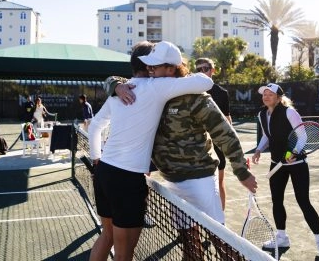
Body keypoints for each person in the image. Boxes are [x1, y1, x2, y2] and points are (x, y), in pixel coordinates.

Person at [105, 52, 258, 260]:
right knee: (189, 243)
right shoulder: (151, 90)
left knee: (221, 242)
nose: (149, 71)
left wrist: (242, 172)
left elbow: (225, 134)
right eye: (148, 68)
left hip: (200, 179)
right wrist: (115, 84)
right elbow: (114, 80)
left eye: (154, 67)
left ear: (170, 69)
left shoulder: (196, 97)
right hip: (172, 181)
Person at [88, 41, 214, 261]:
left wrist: (96, 157)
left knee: (106, 236)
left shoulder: (117, 92)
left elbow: (95, 127)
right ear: (149, 65)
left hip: (103, 174)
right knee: (125, 254)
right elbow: (206, 81)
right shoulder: (159, 86)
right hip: (127, 180)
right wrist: (179, 70)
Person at [252, 83, 319, 260]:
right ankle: (282, 237)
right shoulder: (262, 114)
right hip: (276, 164)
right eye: (264, 94)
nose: (266, 96)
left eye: (270, 94)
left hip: (297, 164)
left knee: (303, 201)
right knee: (277, 201)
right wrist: (258, 149)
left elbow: (302, 137)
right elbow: (266, 135)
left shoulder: (289, 112)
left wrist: (293, 153)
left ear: (279, 97)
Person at [195, 57, 232, 211]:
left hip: (217, 144)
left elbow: (227, 119)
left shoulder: (222, 93)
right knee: (198, 186)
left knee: (219, 182)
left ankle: (220, 224)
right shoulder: (191, 90)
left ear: (212, 70)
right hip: (197, 146)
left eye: (205, 68)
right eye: (198, 69)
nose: (202, 72)